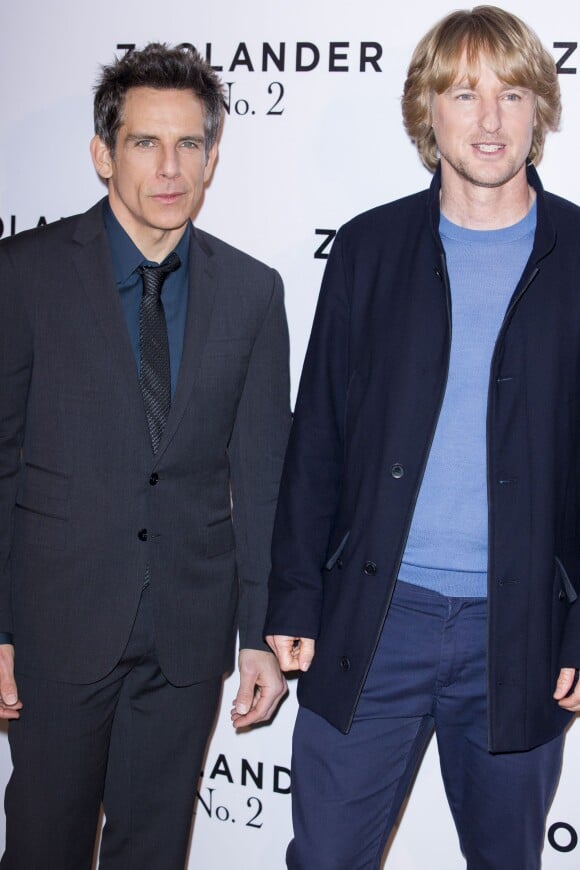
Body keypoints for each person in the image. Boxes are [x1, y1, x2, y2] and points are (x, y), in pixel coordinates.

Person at [265, 6, 580, 868]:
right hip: (375, 616)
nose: (489, 119)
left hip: (518, 628)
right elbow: (317, 433)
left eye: (512, 94)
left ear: (539, 111)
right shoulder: (369, 247)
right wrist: (293, 596)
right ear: (426, 110)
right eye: (464, 93)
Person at [0, 42, 290, 869]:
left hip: (189, 634)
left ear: (212, 156)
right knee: (45, 847)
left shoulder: (253, 290)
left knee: (155, 851)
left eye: (190, 144)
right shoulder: (22, 277)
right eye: (144, 143)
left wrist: (260, 634)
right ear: (102, 154)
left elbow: (264, 476)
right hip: (58, 625)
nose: (170, 167)